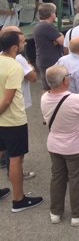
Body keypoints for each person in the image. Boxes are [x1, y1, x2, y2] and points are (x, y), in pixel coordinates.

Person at [42, 65, 79, 225]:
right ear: (65, 81)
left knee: (57, 178)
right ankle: (78, 214)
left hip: (54, 145)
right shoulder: (76, 99)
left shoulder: (44, 97)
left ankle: (55, 212)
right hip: (76, 147)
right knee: (77, 179)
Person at [0, 30, 43, 212]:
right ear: (14, 47)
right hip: (12, 120)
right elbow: (8, 99)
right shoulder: (15, 67)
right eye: (23, 42)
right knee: (16, 158)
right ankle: (19, 200)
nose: (25, 45)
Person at [33, 3, 64, 90]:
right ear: (51, 14)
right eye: (54, 12)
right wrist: (59, 37)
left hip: (44, 60)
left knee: (47, 87)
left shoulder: (39, 25)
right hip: (50, 61)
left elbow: (57, 41)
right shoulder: (47, 26)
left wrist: (56, 40)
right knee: (53, 88)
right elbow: (61, 41)